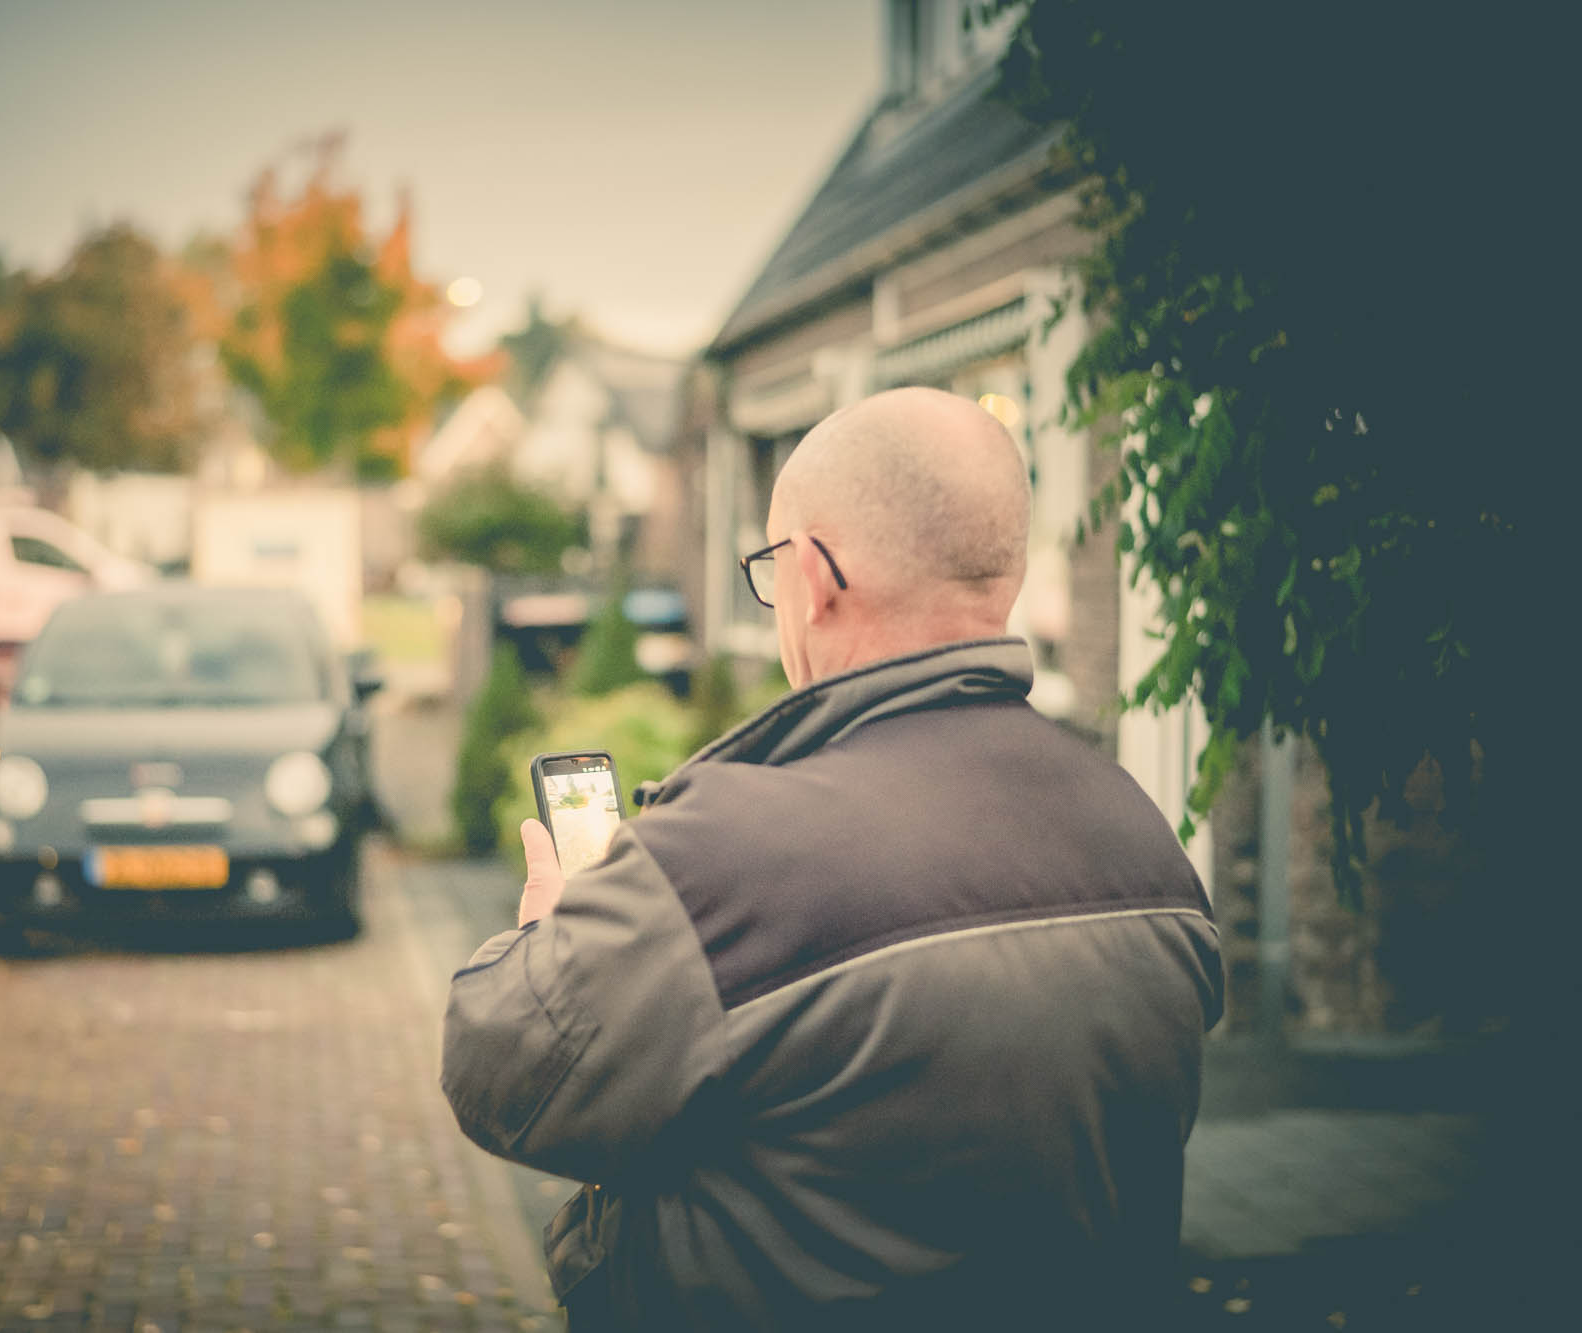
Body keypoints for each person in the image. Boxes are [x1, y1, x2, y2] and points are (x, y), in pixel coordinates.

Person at [441, 387, 1223, 1330]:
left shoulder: (728, 851)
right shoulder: (1141, 835)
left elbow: (505, 1070)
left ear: (811, 577)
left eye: (770, 566)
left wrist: (549, 936)